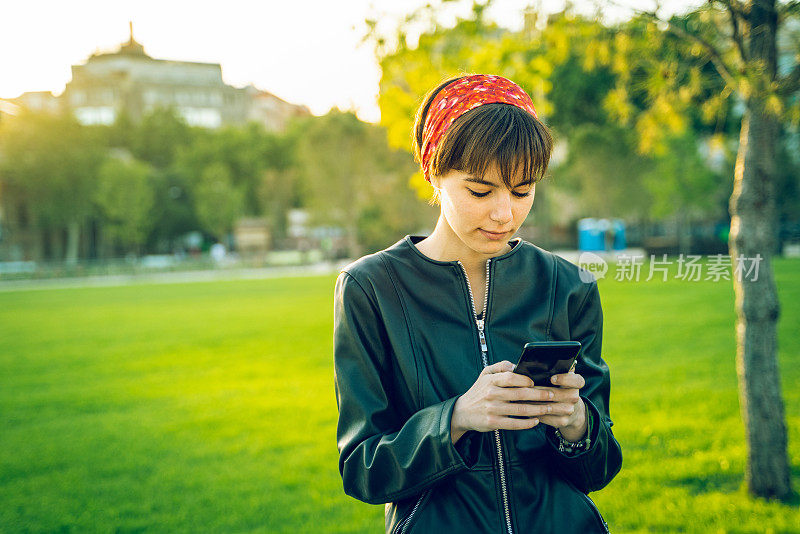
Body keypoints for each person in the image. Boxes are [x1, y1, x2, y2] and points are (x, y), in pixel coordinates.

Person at [333, 74, 622, 534]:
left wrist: (577, 421)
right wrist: (457, 417)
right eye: (481, 191)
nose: (504, 213)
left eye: (523, 191)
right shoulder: (370, 288)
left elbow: (599, 470)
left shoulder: (569, 286)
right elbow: (363, 468)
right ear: (433, 172)